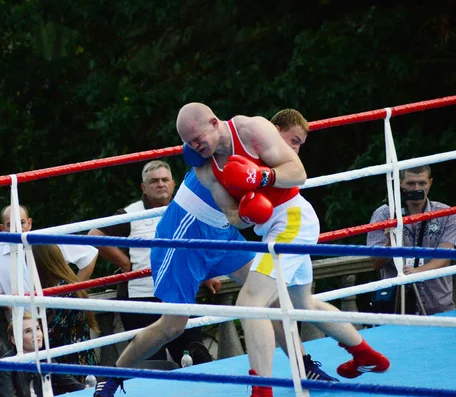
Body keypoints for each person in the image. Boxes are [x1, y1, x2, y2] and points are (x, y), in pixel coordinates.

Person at [93, 108, 343, 397]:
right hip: (183, 238)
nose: (293, 148)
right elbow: (233, 210)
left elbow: (259, 200)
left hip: (221, 232)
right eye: (292, 141)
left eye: (298, 144)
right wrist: (246, 213)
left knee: (271, 298)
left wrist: (253, 201)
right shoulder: (208, 158)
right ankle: (111, 376)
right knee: (173, 326)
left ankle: (304, 366)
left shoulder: (257, 142)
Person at [88, 160, 211, 365]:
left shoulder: (186, 207)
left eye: (165, 180)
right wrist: (125, 263)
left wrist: (208, 273)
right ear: (144, 188)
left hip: (180, 293)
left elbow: (198, 245)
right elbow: (94, 234)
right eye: (154, 181)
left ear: (173, 184)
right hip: (142, 298)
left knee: (195, 355)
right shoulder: (130, 213)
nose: (161, 184)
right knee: (151, 364)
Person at [367, 165, 455, 315]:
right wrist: (390, 243)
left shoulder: (446, 213)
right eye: (411, 184)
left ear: (430, 183)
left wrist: (417, 272)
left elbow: (445, 257)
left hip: (438, 306)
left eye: (422, 183)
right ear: (401, 183)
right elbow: (375, 263)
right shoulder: (384, 215)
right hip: (397, 308)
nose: (417, 188)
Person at [0, 205, 98, 299]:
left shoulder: (46, 242)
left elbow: (89, 254)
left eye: (21, 222)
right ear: (2, 228)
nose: (17, 228)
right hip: (21, 323)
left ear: (29, 223)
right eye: (10, 224)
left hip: (58, 314)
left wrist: (73, 292)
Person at [32, 244, 99, 376]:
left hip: (72, 370)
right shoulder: (65, 288)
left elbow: (47, 337)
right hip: (77, 364)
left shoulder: (63, 293)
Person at [0, 311, 85, 396]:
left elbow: (74, 385)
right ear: (14, 340)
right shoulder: (5, 365)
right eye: (28, 331)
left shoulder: (45, 358)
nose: (36, 334)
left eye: (37, 328)